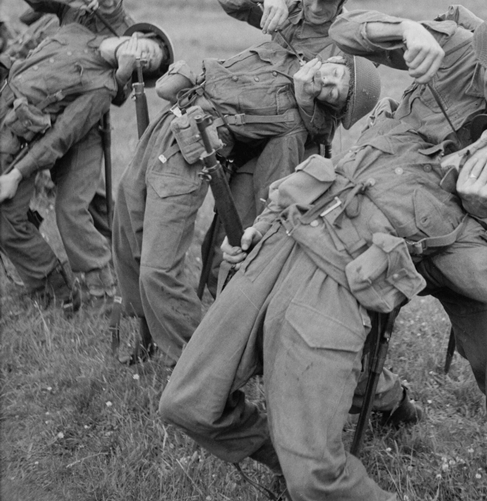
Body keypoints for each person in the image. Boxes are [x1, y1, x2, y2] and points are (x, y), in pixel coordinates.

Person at [158, 115, 487, 501]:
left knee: (315, 476)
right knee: (186, 404)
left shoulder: (461, 230)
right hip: (272, 256)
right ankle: (284, 456)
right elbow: (309, 180)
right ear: (486, 136)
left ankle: (309, 467)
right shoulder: (407, 136)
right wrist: (258, 228)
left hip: (328, 292)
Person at [328, 1, 487, 501]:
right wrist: (404, 29)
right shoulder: (451, 47)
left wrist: (480, 201)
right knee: (334, 313)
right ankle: (373, 404)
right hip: (377, 208)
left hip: (456, 237)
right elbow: (343, 30)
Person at [111, 39, 381, 367]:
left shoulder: (294, 126)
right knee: (127, 234)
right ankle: (148, 332)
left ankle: (196, 368)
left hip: (190, 151)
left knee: (157, 269)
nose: (328, 81)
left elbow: (275, 185)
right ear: (333, 59)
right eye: (335, 72)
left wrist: (257, 230)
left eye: (334, 91)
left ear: (329, 106)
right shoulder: (286, 53)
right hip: (163, 128)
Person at [201, 0, 369, 294]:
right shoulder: (289, 12)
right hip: (248, 138)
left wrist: (305, 98)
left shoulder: (348, 45)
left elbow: (325, 128)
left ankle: (254, 305)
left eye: (327, 1)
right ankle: (215, 311)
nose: (316, 7)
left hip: (293, 153)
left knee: (268, 229)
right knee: (227, 228)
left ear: (344, 1)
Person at [0, 24, 170, 312]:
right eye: (146, 52)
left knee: (7, 220)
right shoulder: (74, 31)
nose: (140, 58)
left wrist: (15, 176)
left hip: (17, 141)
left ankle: (59, 291)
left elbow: (61, 135)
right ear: (138, 37)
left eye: (145, 64)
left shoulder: (102, 86)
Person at [12, 0, 145, 303]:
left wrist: (121, 73)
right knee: (33, 191)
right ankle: (62, 278)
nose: (109, 1)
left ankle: (103, 287)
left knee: (72, 208)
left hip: (86, 127)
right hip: (41, 118)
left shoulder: (130, 34)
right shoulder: (74, 9)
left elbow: (115, 99)